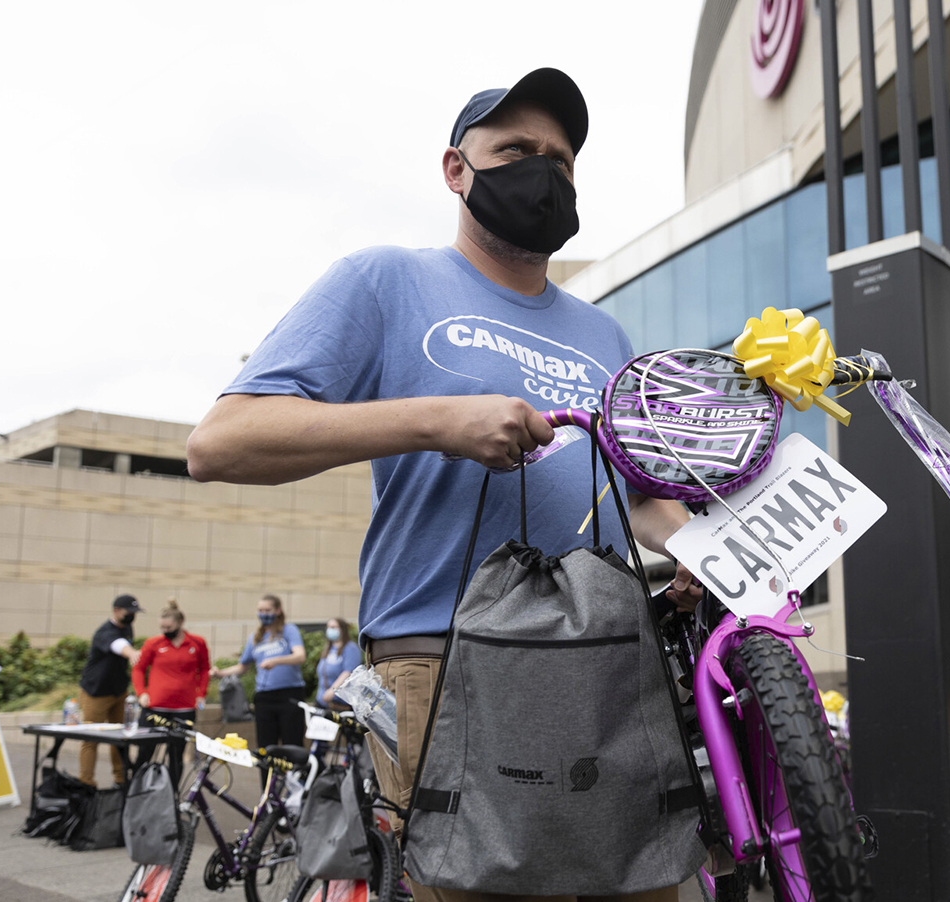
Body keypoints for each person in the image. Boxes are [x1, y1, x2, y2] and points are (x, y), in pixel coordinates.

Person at [187, 68, 704, 902]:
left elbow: (643, 497)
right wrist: (438, 421)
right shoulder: (384, 280)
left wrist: (701, 551)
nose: (544, 171)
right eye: (516, 151)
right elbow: (222, 442)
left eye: (560, 160)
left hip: (607, 663)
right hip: (442, 659)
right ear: (456, 170)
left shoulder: (605, 334)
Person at [212, 594, 307, 753]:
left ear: (277, 610)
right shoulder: (255, 638)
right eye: (260, 610)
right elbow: (242, 666)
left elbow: (300, 656)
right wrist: (220, 673)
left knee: (292, 743)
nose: (263, 614)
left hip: (289, 694)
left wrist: (276, 661)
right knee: (265, 746)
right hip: (264, 697)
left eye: (267, 610)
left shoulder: (289, 631)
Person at [78, 594, 142, 787]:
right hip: (96, 692)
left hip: (119, 692)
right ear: (116, 610)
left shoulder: (127, 628)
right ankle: (86, 783)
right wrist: (132, 653)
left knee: (120, 736)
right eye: (129, 612)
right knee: (91, 738)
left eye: (135, 612)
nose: (132, 616)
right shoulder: (105, 632)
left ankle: (121, 779)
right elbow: (119, 645)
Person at [132, 599, 211, 721]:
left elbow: (204, 670)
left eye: (169, 627)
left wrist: (201, 694)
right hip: (155, 704)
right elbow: (138, 669)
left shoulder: (197, 643)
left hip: (185, 705)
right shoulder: (153, 643)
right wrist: (141, 693)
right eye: (162, 627)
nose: (165, 631)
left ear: (180, 622)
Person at [315, 617, 362, 710]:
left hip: (339, 703)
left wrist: (332, 691)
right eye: (328, 627)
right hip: (322, 701)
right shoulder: (329, 648)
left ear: (342, 629)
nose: (330, 630)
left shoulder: (350, 648)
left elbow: (348, 672)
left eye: (333, 627)